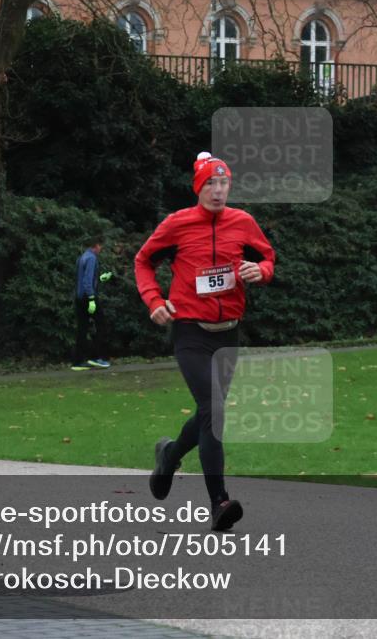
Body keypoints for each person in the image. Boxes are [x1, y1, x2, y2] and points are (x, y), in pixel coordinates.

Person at [134, 151, 276, 531]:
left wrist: (258, 271)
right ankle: (219, 502)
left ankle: (169, 455)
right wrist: (153, 300)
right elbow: (143, 261)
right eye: (210, 183)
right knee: (214, 411)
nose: (217, 190)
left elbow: (267, 258)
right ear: (198, 187)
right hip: (191, 333)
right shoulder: (177, 225)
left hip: (229, 333)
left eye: (223, 182)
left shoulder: (242, 222)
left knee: (207, 413)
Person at [72, 239, 113, 371]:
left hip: (79, 298)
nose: (101, 249)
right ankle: (97, 358)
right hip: (88, 298)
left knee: (82, 329)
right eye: (100, 246)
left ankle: (77, 362)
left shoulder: (82, 257)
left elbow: (84, 278)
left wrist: (101, 278)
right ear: (96, 245)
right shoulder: (91, 258)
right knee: (101, 325)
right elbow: (87, 281)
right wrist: (91, 299)